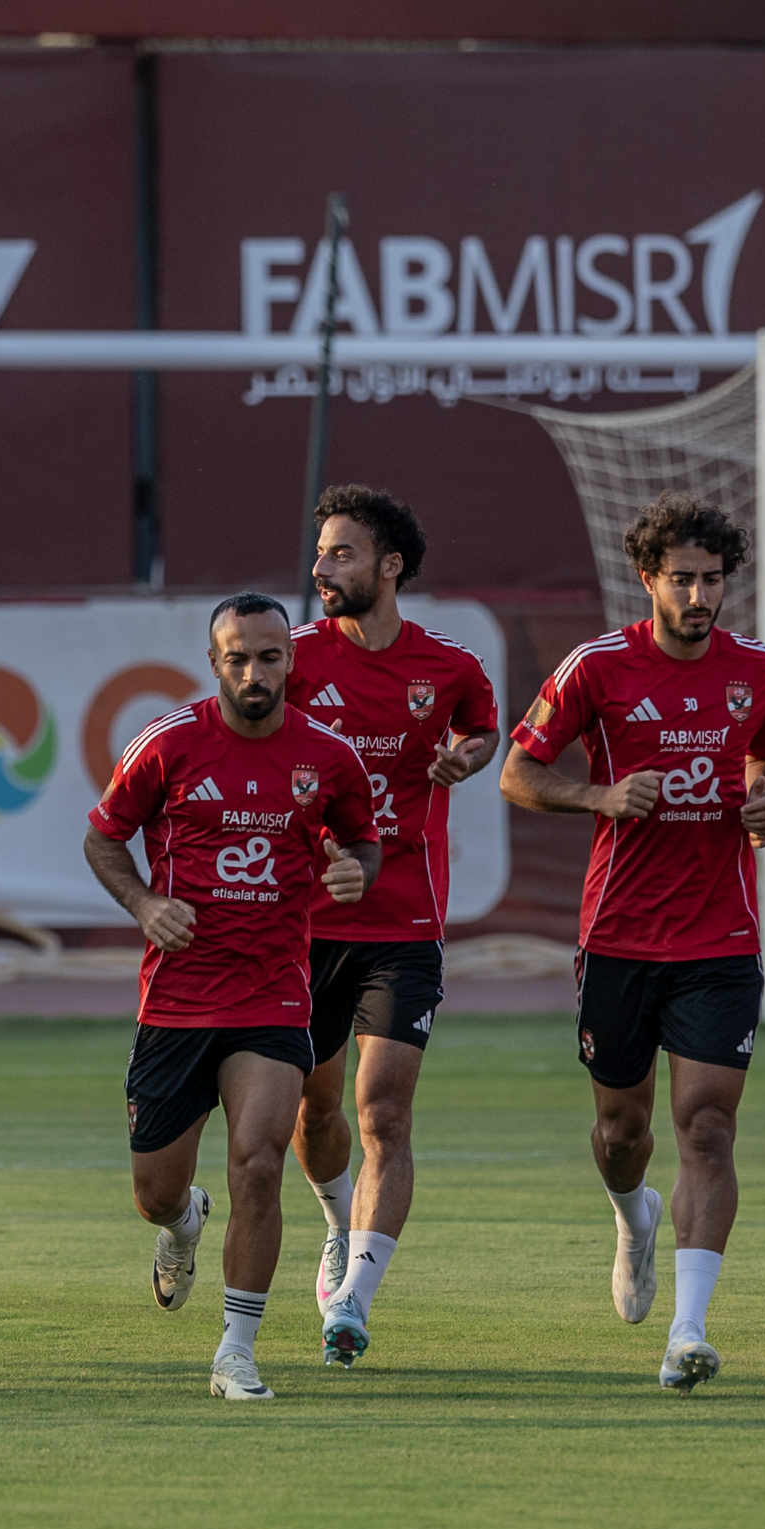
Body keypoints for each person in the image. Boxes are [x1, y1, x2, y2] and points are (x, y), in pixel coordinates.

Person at [499, 493, 765, 1392]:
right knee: (621, 1130)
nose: (699, 595)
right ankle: (634, 1216)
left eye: (712, 579)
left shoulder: (761, 672)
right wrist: (599, 797)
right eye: (682, 579)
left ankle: (690, 1329)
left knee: (707, 1124)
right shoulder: (597, 668)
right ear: (649, 580)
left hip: (721, 937)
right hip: (620, 937)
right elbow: (517, 772)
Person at [81, 596, 378, 1401]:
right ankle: (183, 1222)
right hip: (176, 1002)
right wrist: (146, 905)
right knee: (154, 1192)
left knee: (259, 1162)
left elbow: (362, 842)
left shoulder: (327, 756)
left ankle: (236, 1350)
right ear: (214, 661)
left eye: (271, 656)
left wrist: (355, 870)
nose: (256, 672)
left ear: (292, 660)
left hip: (273, 996)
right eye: (239, 657)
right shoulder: (169, 745)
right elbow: (102, 837)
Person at [287, 486, 500, 1367]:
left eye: (340, 553)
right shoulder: (289, 660)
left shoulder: (448, 667)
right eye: (321, 552)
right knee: (315, 1107)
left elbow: (486, 730)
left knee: (385, 1113)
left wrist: (466, 755)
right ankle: (339, 1217)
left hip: (405, 918)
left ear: (390, 566)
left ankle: (354, 1303)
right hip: (305, 920)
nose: (321, 568)